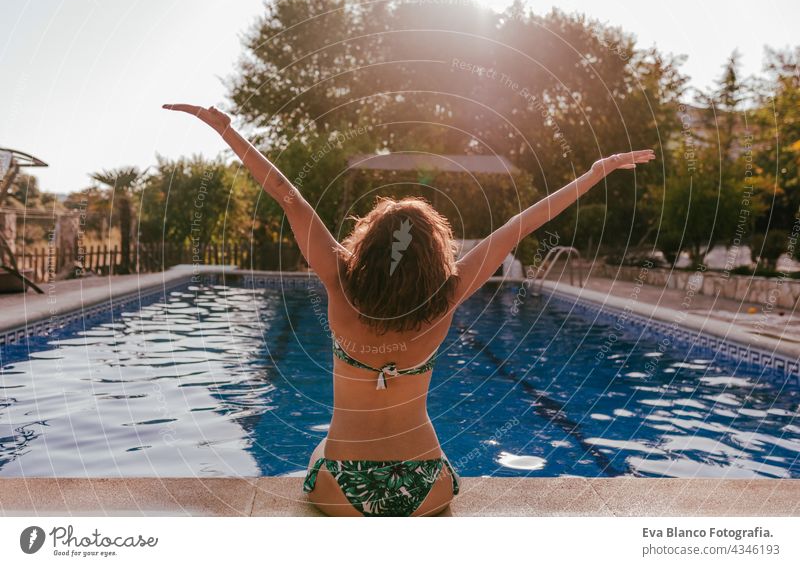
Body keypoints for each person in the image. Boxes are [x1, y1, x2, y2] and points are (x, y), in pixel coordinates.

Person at [163, 103, 656, 516]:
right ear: (433, 257)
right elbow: (521, 225)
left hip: (340, 485)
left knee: (317, 451)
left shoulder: (341, 284)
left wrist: (229, 133)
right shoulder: (447, 295)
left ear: (367, 247)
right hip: (426, 486)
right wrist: (594, 174)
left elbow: (287, 196)